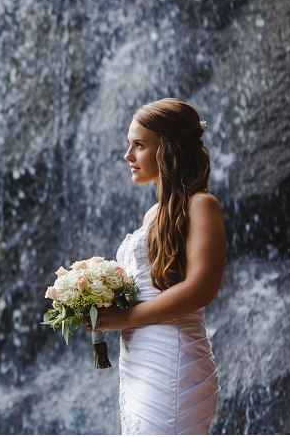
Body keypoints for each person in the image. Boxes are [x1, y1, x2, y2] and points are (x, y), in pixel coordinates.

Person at [90, 98, 225, 434]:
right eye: (128, 145)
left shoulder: (202, 205)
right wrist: (98, 303)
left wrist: (125, 317)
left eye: (139, 145)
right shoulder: (154, 214)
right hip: (139, 359)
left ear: (167, 149)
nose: (128, 156)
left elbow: (200, 290)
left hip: (172, 356)